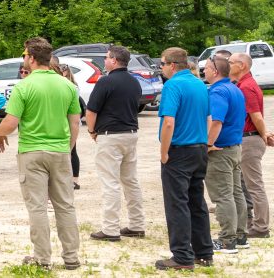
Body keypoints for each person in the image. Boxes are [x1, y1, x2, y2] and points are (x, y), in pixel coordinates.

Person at [0, 37, 81, 270]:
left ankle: (43, 259)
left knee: (37, 207)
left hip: (32, 152)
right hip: (60, 151)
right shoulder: (68, 86)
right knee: (65, 205)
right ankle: (71, 256)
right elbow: (75, 123)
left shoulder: (24, 86)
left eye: (25, 56)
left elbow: (11, 122)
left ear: (31, 58)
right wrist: (68, 148)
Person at [153, 47, 213, 270]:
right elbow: (208, 117)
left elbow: (169, 121)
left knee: (177, 203)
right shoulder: (199, 84)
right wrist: (205, 142)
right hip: (199, 148)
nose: (161, 68)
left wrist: (164, 152)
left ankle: (182, 256)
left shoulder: (173, 85)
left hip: (179, 150)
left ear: (171, 65)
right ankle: (204, 252)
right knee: (197, 202)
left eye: (161, 64)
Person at [85, 45, 146, 242]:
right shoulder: (135, 82)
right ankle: (137, 224)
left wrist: (92, 131)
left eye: (106, 58)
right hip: (130, 133)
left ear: (114, 60)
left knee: (110, 182)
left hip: (110, 135)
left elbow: (91, 111)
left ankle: (110, 228)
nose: (104, 61)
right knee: (131, 180)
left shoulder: (105, 82)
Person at [202, 55, 248, 254]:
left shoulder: (218, 91)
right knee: (236, 193)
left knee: (223, 196)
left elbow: (216, 121)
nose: (204, 71)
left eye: (206, 68)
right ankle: (240, 235)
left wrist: (208, 144)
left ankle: (227, 240)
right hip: (235, 147)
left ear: (215, 71)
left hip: (220, 150)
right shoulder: (235, 89)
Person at [229, 53, 273, 239]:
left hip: (249, 139)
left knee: (254, 185)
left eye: (231, 63)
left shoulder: (246, 87)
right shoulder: (242, 85)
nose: (228, 65)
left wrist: (264, 134)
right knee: (244, 184)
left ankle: (261, 227)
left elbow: (256, 116)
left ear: (241, 65)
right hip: (247, 138)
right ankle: (248, 222)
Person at [51, 58, 84, 190]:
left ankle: (74, 179)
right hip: (63, 120)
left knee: (72, 150)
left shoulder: (71, 87)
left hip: (69, 120)